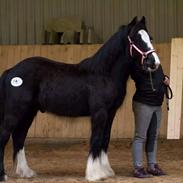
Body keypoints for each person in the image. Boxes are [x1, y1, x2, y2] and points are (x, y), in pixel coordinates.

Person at [130, 62, 171, 178]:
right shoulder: (137, 65)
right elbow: (139, 77)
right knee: (140, 136)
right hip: (143, 103)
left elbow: (159, 76)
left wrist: (165, 79)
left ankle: (152, 165)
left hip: (157, 104)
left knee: (153, 136)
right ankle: (138, 168)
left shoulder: (156, 62)